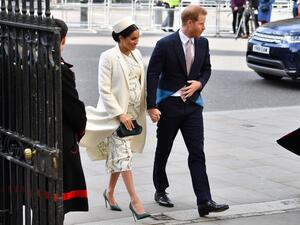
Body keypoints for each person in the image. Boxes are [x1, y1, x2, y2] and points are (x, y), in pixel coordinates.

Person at [147, 5, 229, 217]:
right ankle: (160, 189)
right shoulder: (165, 44)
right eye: (201, 23)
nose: (204, 27)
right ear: (190, 22)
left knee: (197, 152)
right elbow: (153, 74)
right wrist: (152, 105)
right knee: (164, 148)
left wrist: (199, 84)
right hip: (169, 105)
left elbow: (207, 69)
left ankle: (204, 201)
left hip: (192, 106)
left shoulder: (203, 43)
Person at [80, 18, 150, 221]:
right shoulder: (108, 56)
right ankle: (135, 201)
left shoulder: (136, 54)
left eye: (138, 38)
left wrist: (148, 109)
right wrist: (120, 114)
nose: (136, 42)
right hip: (116, 117)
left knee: (122, 157)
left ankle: (109, 192)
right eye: (132, 39)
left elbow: (140, 84)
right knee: (123, 156)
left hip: (134, 116)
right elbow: (105, 89)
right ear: (121, 38)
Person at [54, 19, 89, 215]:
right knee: (58, 198)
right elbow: (74, 110)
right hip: (60, 137)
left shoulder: (26, 62)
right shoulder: (61, 70)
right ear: (63, 40)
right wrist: (81, 128)